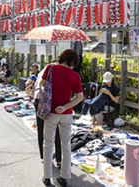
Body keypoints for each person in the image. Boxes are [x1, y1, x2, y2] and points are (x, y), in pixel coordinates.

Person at [40, 50, 84, 187]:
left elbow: (41, 84)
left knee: (48, 144)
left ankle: (47, 177)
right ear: (72, 62)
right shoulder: (75, 75)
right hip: (66, 114)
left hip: (51, 112)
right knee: (66, 145)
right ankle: (64, 178)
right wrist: (65, 107)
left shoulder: (50, 68)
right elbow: (80, 97)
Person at [26, 59, 62, 169]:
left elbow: (38, 85)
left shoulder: (44, 70)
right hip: (49, 101)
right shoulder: (56, 69)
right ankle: (59, 160)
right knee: (56, 130)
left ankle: (43, 156)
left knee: (41, 129)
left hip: (39, 100)